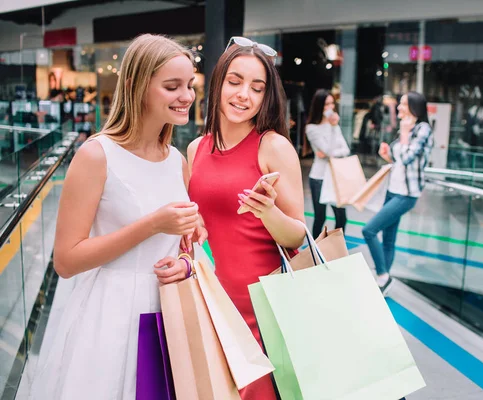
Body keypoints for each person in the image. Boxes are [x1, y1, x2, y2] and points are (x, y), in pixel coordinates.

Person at [29, 34, 201, 399]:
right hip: (111, 316)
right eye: (172, 86)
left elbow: (192, 245)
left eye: (190, 85)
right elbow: (66, 260)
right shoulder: (96, 155)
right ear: (138, 87)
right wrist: (152, 224)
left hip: (169, 312)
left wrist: (186, 260)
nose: (187, 95)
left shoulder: (177, 162)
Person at [187, 37, 305, 400]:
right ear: (218, 81)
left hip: (262, 308)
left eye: (257, 88)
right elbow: (195, 228)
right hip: (210, 301)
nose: (244, 95)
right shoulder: (196, 148)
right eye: (235, 81)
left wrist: (267, 212)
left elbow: (297, 236)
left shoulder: (273, 146)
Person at [362, 91, 433, 295]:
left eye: (402, 104)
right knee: (389, 238)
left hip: (406, 194)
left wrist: (403, 133)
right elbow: (395, 156)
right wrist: (387, 152)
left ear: (414, 107)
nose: (399, 107)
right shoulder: (409, 129)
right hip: (393, 190)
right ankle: (383, 279)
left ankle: (383, 275)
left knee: (369, 230)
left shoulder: (422, 129)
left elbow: (408, 157)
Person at [305, 89, 350, 238]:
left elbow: (345, 150)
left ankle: (335, 248)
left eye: (331, 104)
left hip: (335, 177)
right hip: (319, 178)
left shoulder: (334, 126)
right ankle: (316, 251)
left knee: (342, 217)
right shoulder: (311, 128)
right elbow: (330, 150)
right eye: (326, 105)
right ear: (319, 106)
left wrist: (334, 127)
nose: (330, 108)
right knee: (320, 217)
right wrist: (329, 152)